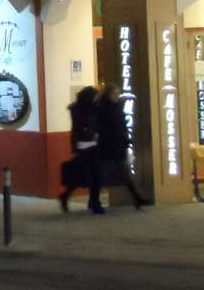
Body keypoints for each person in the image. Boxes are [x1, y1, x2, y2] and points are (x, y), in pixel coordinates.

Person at [94, 83, 145, 210]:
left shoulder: (114, 107)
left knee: (124, 173)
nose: (117, 95)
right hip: (108, 145)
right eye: (115, 93)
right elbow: (107, 126)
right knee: (103, 175)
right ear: (109, 94)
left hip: (117, 144)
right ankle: (95, 202)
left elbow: (120, 125)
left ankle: (137, 198)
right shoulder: (104, 108)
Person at [59, 85, 100, 213]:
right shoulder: (83, 110)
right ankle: (93, 203)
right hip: (85, 144)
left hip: (89, 144)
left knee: (88, 175)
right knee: (90, 175)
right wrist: (75, 147)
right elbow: (76, 129)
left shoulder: (87, 108)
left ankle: (92, 201)